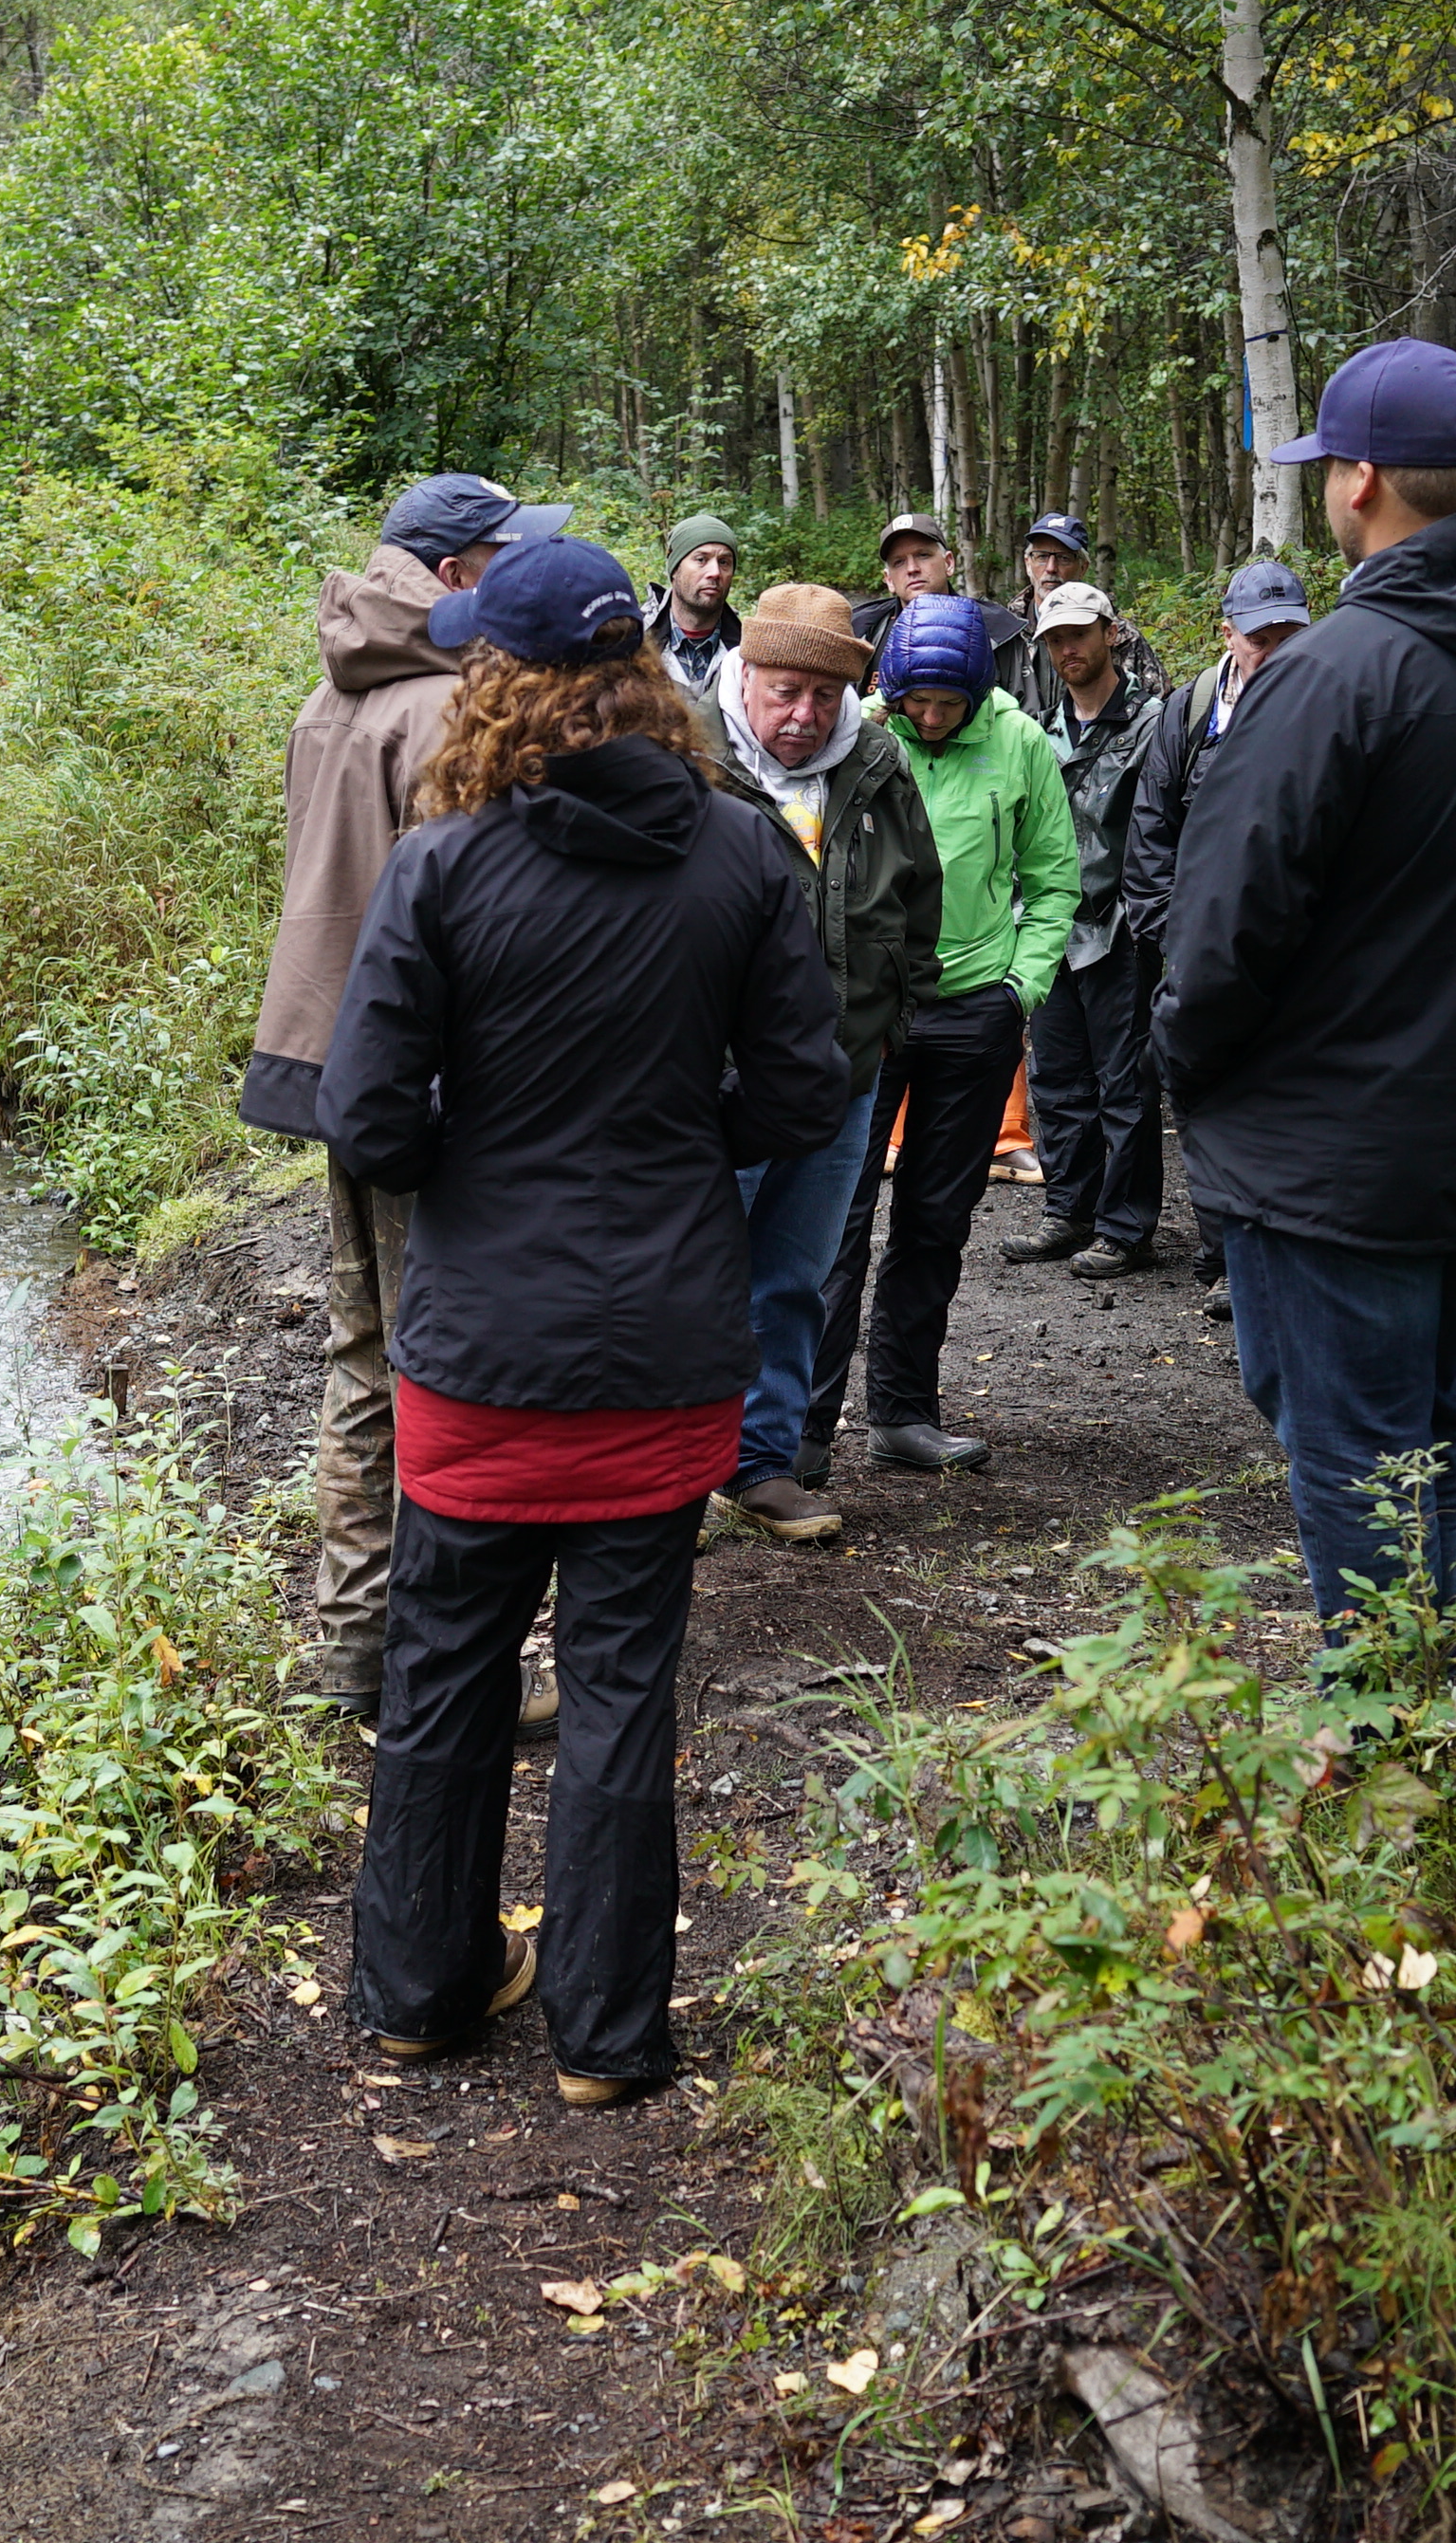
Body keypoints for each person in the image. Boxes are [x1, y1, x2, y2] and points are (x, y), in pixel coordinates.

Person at [318, 535, 847, 2108]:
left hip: (481, 1345)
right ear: (642, 680)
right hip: (661, 1342)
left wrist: (474, 1148)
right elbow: (811, 1093)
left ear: (499, 685)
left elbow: (367, 1123)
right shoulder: (745, 857)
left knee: (445, 1664)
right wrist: (684, 1125)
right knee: (621, 1679)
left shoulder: (445, 866)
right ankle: (608, 2036)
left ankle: (421, 1986)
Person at [1158, 338, 1456, 1616]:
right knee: (1417, 1416)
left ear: (1362, 478)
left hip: (1328, 1159)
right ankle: (1435, 1719)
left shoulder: (1330, 675)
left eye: (1330, 468)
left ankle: (1391, 1737)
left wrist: (1197, 1074)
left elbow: (1221, 931)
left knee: (1348, 1444)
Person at [239, 471, 570, 1723]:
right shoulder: (445, 708)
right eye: (501, 557)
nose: (515, 578)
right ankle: (430, 1665)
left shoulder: (339, 689)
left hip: (327, 1061)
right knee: (432, 1369)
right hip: (418, 1079)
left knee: (364, 1356)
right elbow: (476, 917)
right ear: (452, 576)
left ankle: (353, 1651)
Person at [688, 584, 947, 1544]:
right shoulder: (689, 764)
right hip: (715, 1084)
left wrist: (892, 1020)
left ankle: (763, 1462)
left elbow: (920, 899)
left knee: (795, 1275)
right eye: (785, 691)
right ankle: (674, 1470)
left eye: (824, 697)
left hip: (843, 1074)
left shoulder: (876, 764)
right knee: (693, 1272)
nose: (803, 716)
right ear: (744, 674)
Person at [802, 594, 1080, 1479]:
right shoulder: (860, 736)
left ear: (977, 692)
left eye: (946, 706)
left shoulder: (1020, 744)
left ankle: (902, 1412)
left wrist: (1019, 988)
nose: (928, 718)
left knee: (933, 1220)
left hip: (974, 1011)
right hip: (865, 1010)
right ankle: (802, 1428)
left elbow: (1052, 878)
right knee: (836, 1221)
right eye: (914, 701)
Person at [1119, 560, 1318, 1320]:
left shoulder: (1334, 707)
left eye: (1287, 634)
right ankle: (1223, 1254)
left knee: (1286, 1103)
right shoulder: (1189, 711)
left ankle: (1278, 1253)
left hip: (1296, 959)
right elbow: (1150, 832)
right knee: (1203, 1099)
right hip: (1201, 949)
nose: (1273, 649)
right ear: (1227, 635)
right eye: (1258, 636)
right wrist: (1180, 938)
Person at [1004, 582, 1170, 1279]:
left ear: (1110, 632)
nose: (1067, 648)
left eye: (1078, 633)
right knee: (1056, 1076)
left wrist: (1152, 912)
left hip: (1122, 927)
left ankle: (1125, 1226)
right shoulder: (1038, 728)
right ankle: (1068, 1210)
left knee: (1126, 1084)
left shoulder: (1155, 721)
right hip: (1050, 928)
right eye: (1054, 639)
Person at [850, 511, 1037, 703]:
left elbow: (1026, 714)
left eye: (923, 555)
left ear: (948, 563)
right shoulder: (861, 633)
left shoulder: (995, 630)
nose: (912, 568)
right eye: (899, 562)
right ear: (889, 580)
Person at [1009, 511, 1172, 726]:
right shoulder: (1006, 633)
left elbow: (1163, 713)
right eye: (1041, 556)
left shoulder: (1122, 636)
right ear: (1028, 564)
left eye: (1063, 558)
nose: (1051, 568)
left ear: (1083, 567)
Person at [652, 516, 742, 691]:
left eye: (724, 562)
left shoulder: (746, 652)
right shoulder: (635, 645)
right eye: (701, 560)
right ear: (675, 569)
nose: (715, 572)